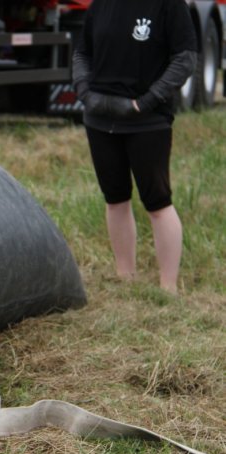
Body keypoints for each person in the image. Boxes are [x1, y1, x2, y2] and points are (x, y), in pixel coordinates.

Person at [72, 0, 197, 294]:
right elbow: (82, 53)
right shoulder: (101, 4)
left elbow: (185, 59)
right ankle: (124, 277)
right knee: (115, 199)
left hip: (147, 122)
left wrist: (147, 102)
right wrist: (84, 92)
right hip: (100, 119)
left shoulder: (169, 5)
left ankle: (168, 288)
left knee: (158, 202)